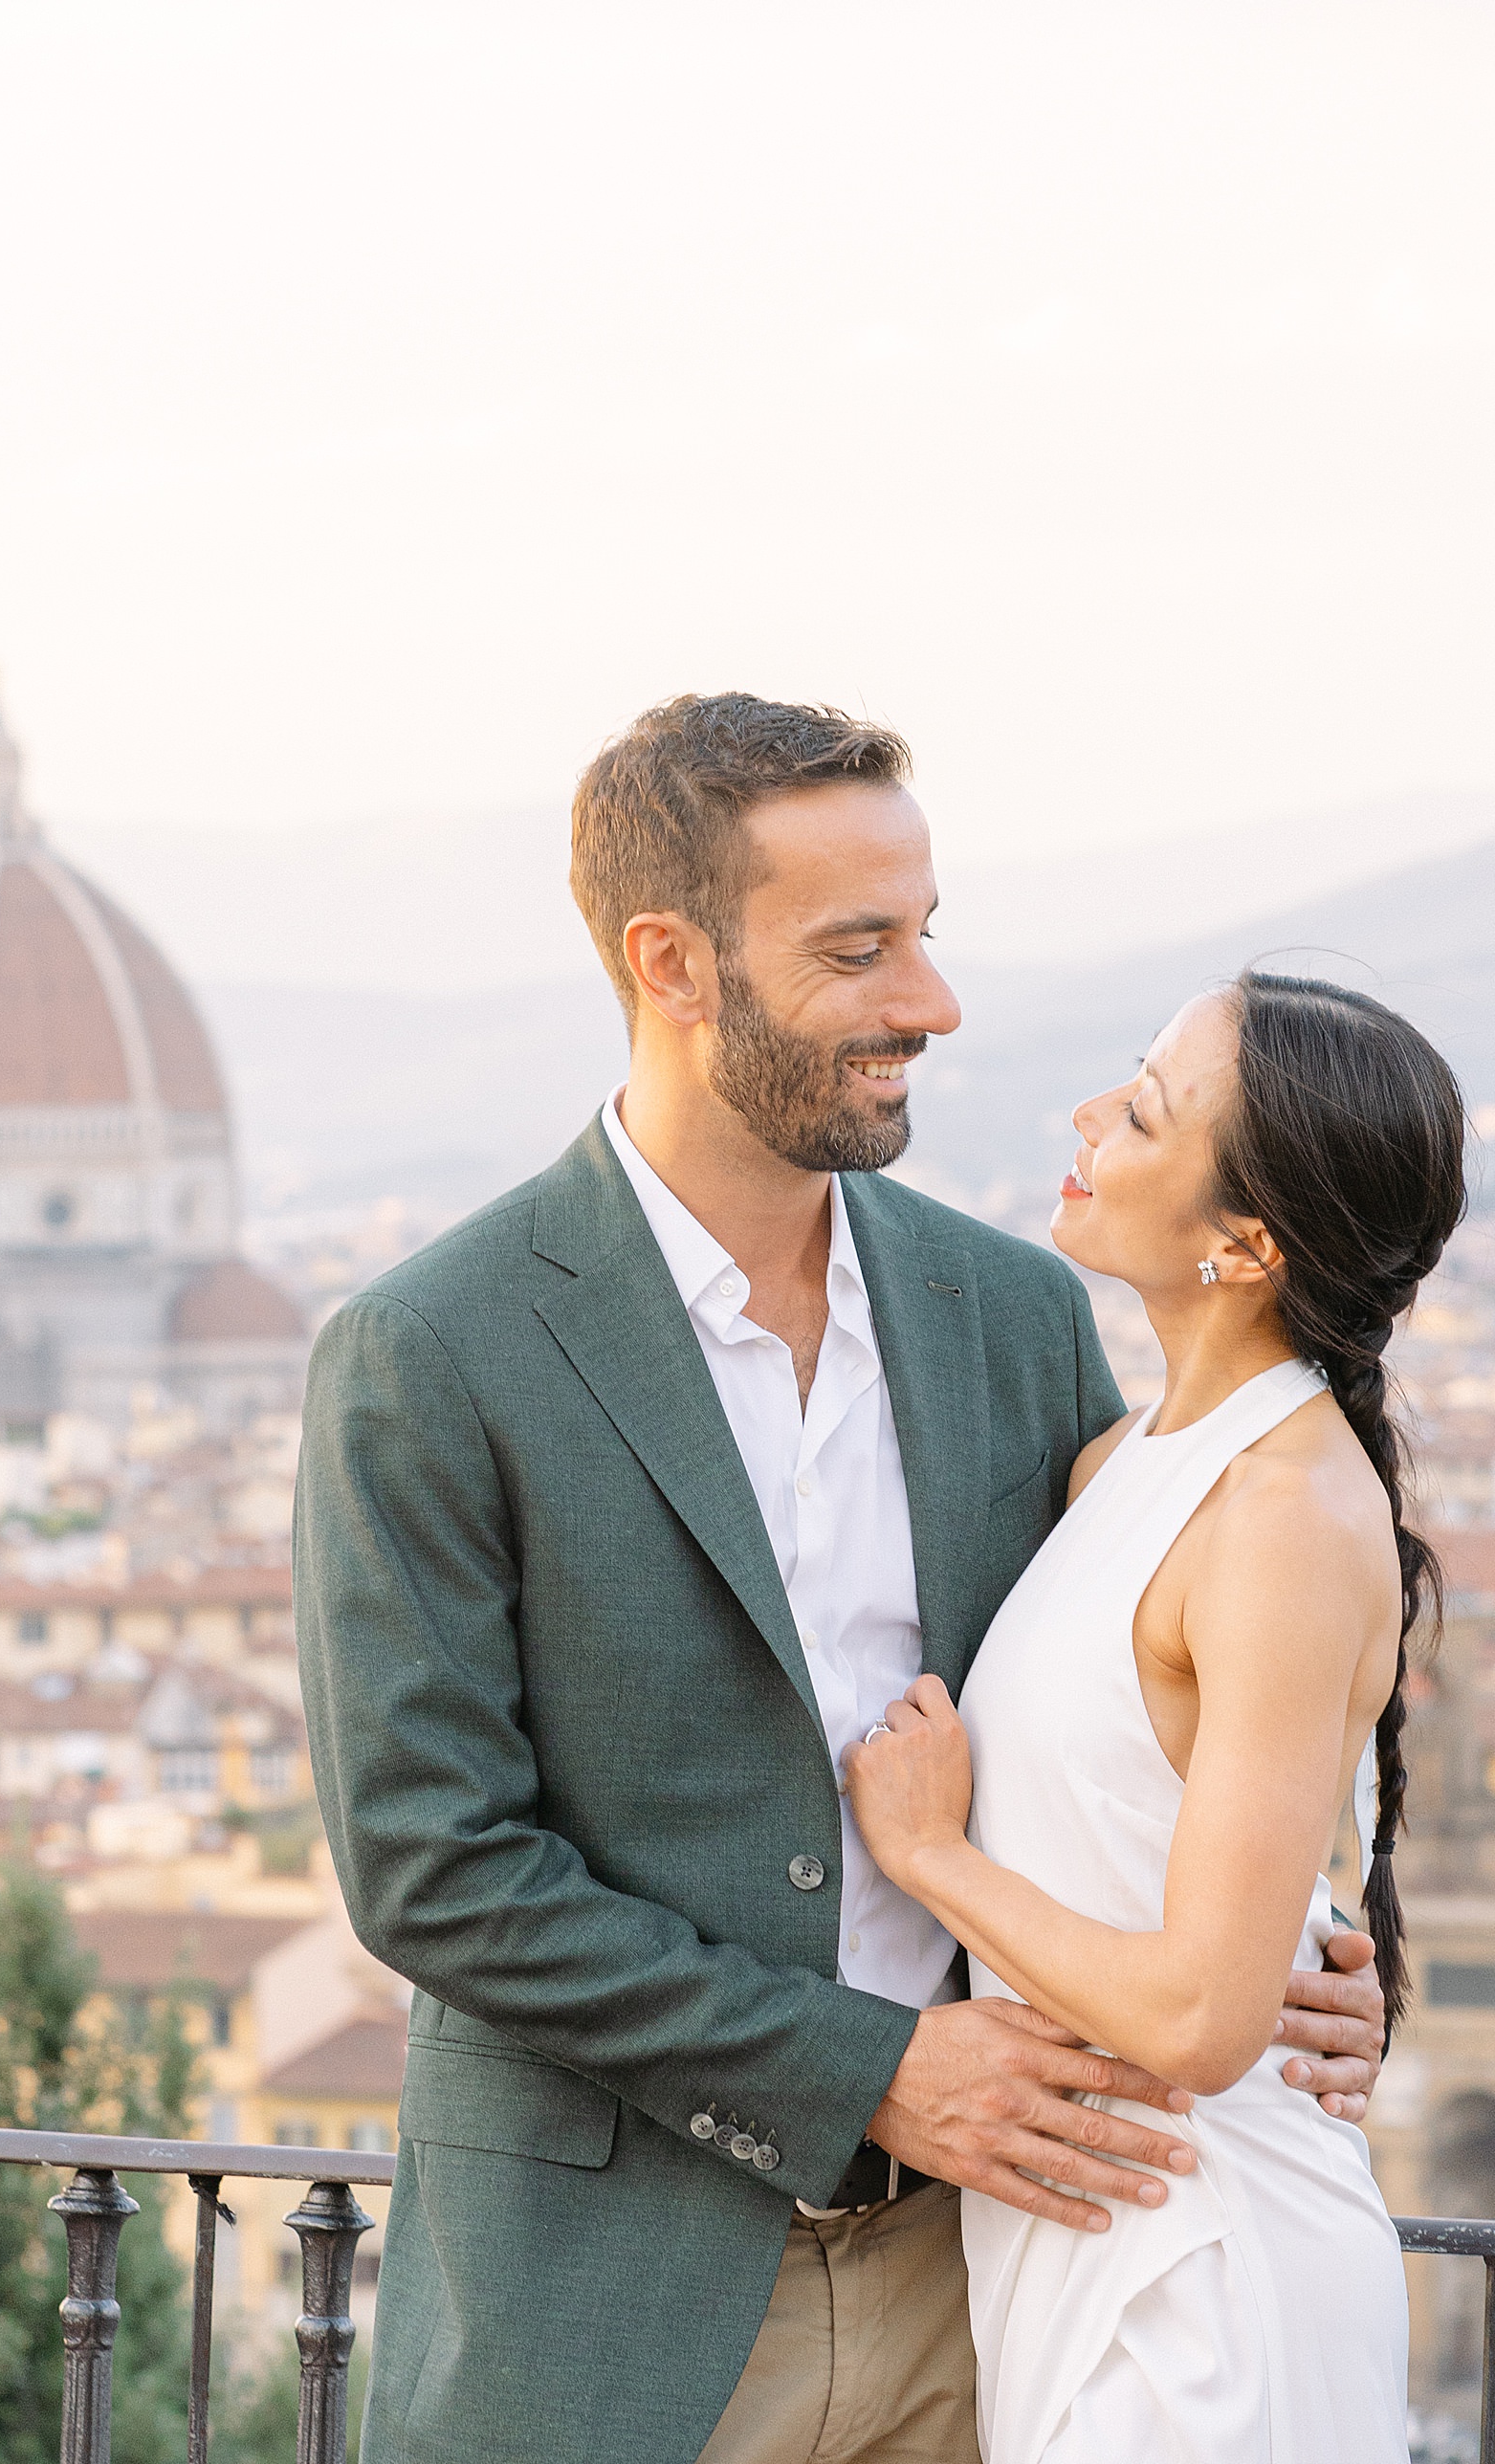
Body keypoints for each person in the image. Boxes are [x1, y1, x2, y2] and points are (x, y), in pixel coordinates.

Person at [294, 695, 1385, 2464]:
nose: (931, 1005)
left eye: (928, 938)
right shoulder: (435, 1348)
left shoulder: (1016, 1318)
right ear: (675, 963)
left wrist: (1313, 1953)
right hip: (611, 2308)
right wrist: (862, 2069)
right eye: (861, 951)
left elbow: (1143, 1695)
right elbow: (433, 1872)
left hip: (1009, 2282)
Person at [847, 970, 1463, 2460]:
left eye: (1142, 1109)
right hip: (1096, 2242)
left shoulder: (1285, 1516)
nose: (1088, 1118)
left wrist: (929, 1856)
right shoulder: (1126, 1464)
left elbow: (1202, 2015)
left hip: (1202, 2279)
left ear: (1246, 1242)